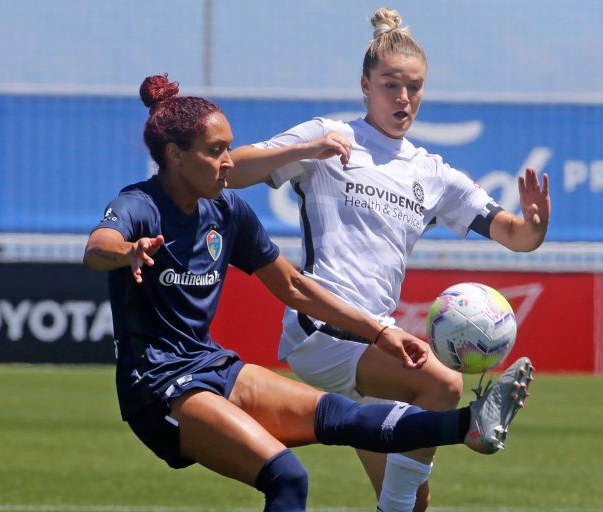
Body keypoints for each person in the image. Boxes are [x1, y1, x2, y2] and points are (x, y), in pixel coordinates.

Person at [82, 74, 534, 512]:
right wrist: (128, 251)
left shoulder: (227, 210)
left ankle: (471, 425)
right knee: (288, 477)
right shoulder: (139, 205)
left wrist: (380, 333)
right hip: (158, 386)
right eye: (216, 151)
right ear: (175, 155)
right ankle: (467, 425)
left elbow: (296, 286)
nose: (227, 161)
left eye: (227, 148)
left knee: (343, 418)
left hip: (210, 365)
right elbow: (97, 247)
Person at [229, 7, 550, 512]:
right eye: (391, 85)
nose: (404, 98)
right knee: (443, 382)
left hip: (378, 340)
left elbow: (515, 235)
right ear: (366, 85)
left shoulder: (430, 172)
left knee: (411, 501)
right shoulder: (331, 136)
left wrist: (534, 226)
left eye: (414, 88)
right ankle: (464, 431)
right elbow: (230, 170)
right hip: (323, 329)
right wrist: (309, 150)